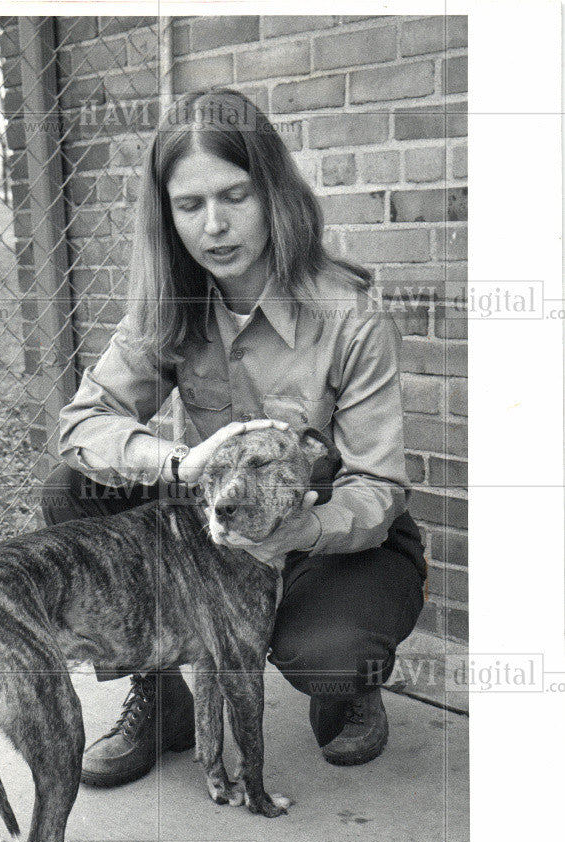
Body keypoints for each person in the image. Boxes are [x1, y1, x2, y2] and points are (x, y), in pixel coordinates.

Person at [41, 88, 427, 788]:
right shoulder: (170, 308)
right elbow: (82, 423)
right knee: (74, 489)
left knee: (328, 655)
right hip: (220, 517)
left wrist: (299, 530)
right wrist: (177, 462)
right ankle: (160, 699)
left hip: (331, 532)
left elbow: (377, 487)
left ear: (272, 192)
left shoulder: (349, 316)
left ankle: (348, 685)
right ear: (167, 215)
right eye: (189, 206)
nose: (214, 226)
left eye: (235, 196)